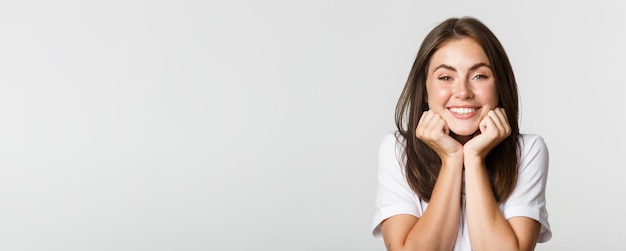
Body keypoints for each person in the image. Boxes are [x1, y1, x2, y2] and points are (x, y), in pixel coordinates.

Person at [371, 16, 552, 251]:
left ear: (499, 86)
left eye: (479, 76)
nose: (463, 92)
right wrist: (451, 159)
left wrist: (474, 158)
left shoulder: (527, 151)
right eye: (446, 77)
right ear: (425, 90)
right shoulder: (397, 150)